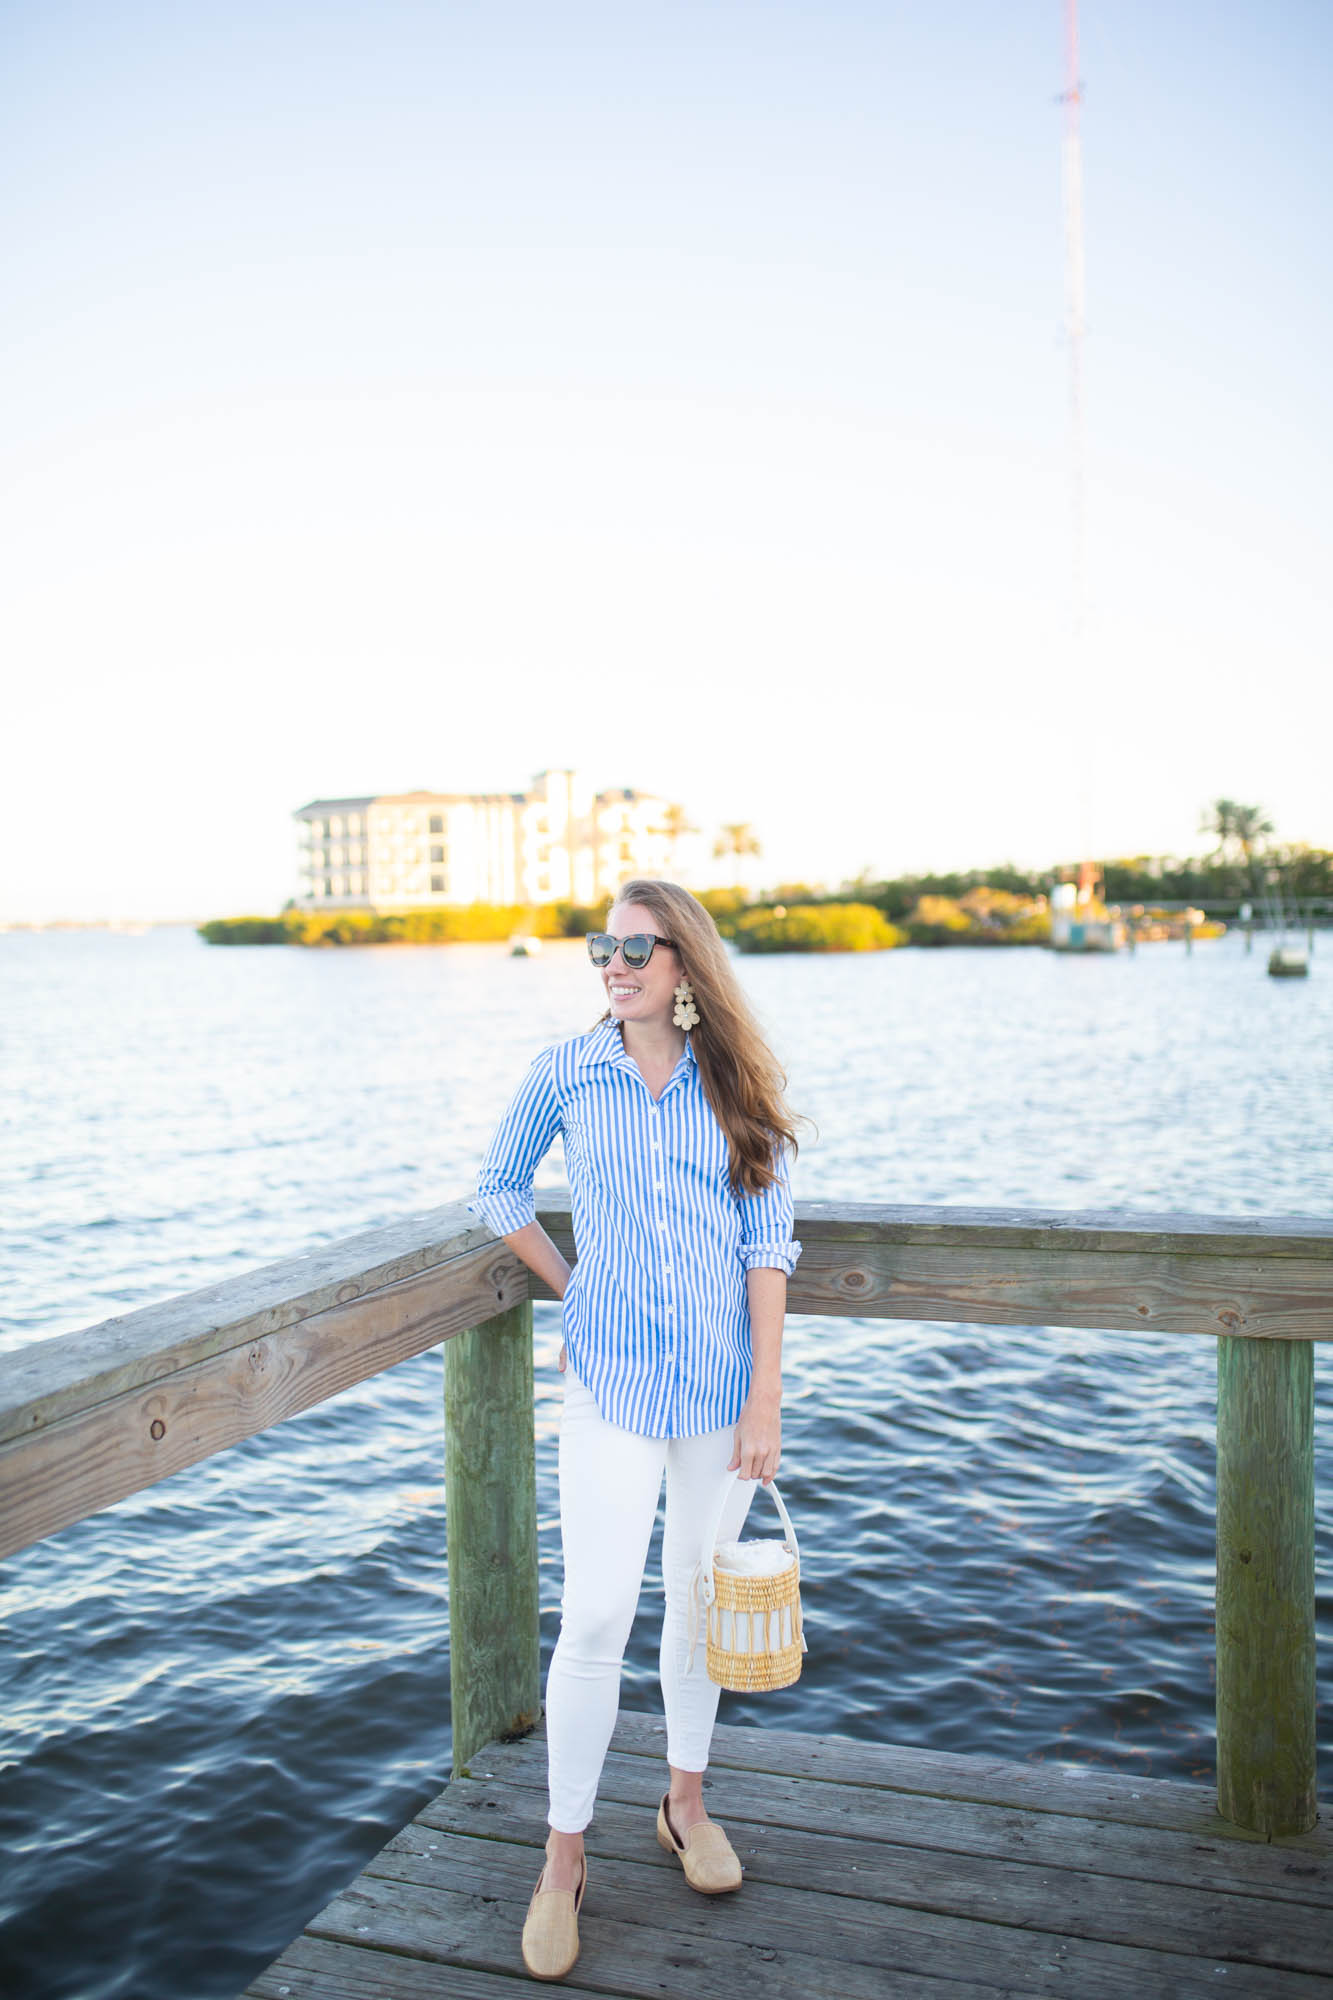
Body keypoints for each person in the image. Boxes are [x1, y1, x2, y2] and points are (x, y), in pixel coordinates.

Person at [468, 877, 803, 1982]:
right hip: (608, 1383)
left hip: (719, 1390)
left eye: (637, 948)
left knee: (698, 1603)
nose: (613, 962)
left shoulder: (733, 1080)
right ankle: (563, 1861)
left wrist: (766, 1393)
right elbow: (497, 1187)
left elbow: (768, 1241)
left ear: (684, 964)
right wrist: (575, 1287)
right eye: (601, 945)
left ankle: (683, 1802)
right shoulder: (567, 1071)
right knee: (599, 1610)